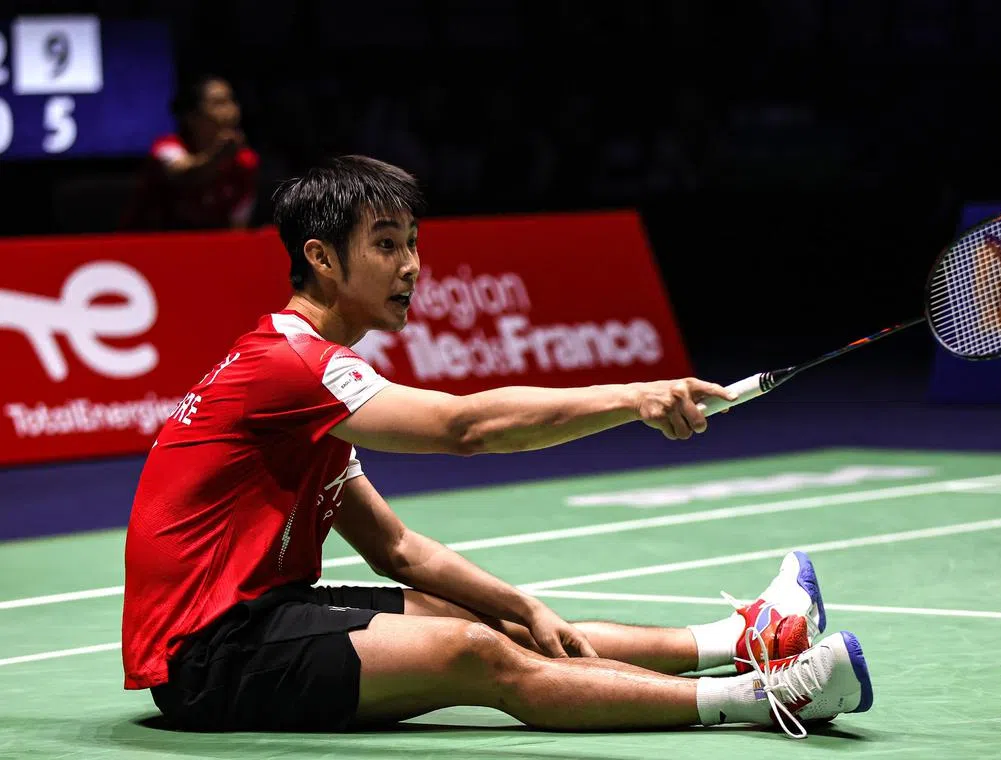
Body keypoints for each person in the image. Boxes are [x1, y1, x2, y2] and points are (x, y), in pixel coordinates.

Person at [121, 155, 873, 739]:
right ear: (320, 258)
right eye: (385, 246)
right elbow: (466, 428)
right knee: (476, 656)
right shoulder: (290, 367)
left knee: (502, 626)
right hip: (210, 657)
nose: (411, 265)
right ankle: (763, 697)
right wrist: (632, 398)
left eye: (413, 243)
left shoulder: (306, 385)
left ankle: (742, 638)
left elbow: (399, 551)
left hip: (264, 613)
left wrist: (524, 606)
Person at [121, 74, 259, 231]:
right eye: (218, 103)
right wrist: (218, 156)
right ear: (191, 116)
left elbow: (237, 226)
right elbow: (183, 174)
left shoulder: (245, 161)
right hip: (150, 245)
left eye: (232, 101)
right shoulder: (166, 147)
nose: (231, 111)